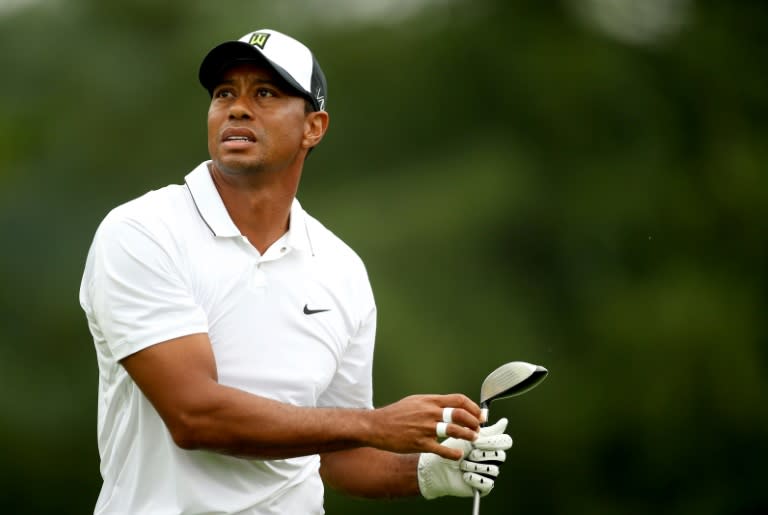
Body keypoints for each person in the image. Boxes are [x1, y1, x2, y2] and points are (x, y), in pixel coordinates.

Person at [79, 28, 513, 514]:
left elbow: (337, 457)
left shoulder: (341, 269)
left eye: (265, 93)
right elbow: (194, 415)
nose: (237, 108)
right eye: (225, 93)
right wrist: (376, 425)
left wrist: (427, 469)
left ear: (314, 127)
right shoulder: (143, 231)